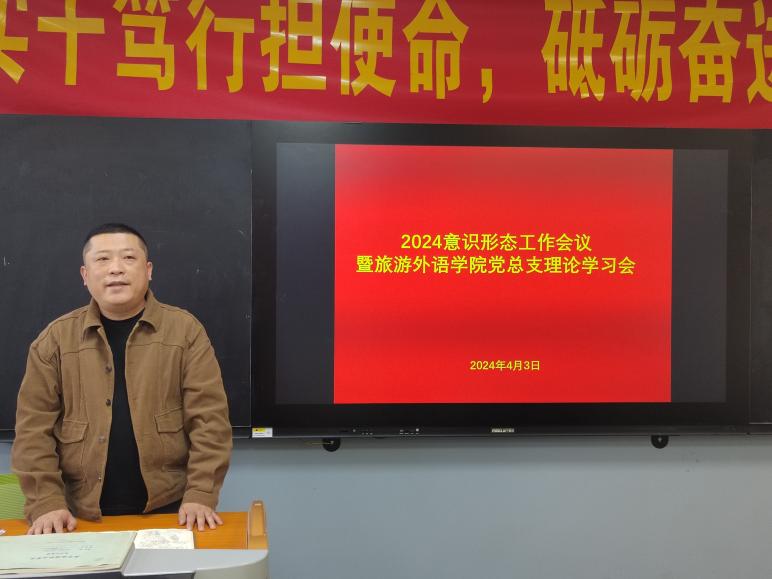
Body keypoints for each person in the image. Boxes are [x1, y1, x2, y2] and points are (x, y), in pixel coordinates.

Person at [11, 223, 232, 534]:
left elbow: (210, 421)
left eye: (128, 258)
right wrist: (46, 502)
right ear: (85, 275)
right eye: (102, 259)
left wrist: (201, 494)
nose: (115, 268)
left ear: (148, 270)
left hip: (171, 510)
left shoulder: (185, 331)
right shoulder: (55, 340)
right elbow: (33, 431)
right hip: (76, 515)